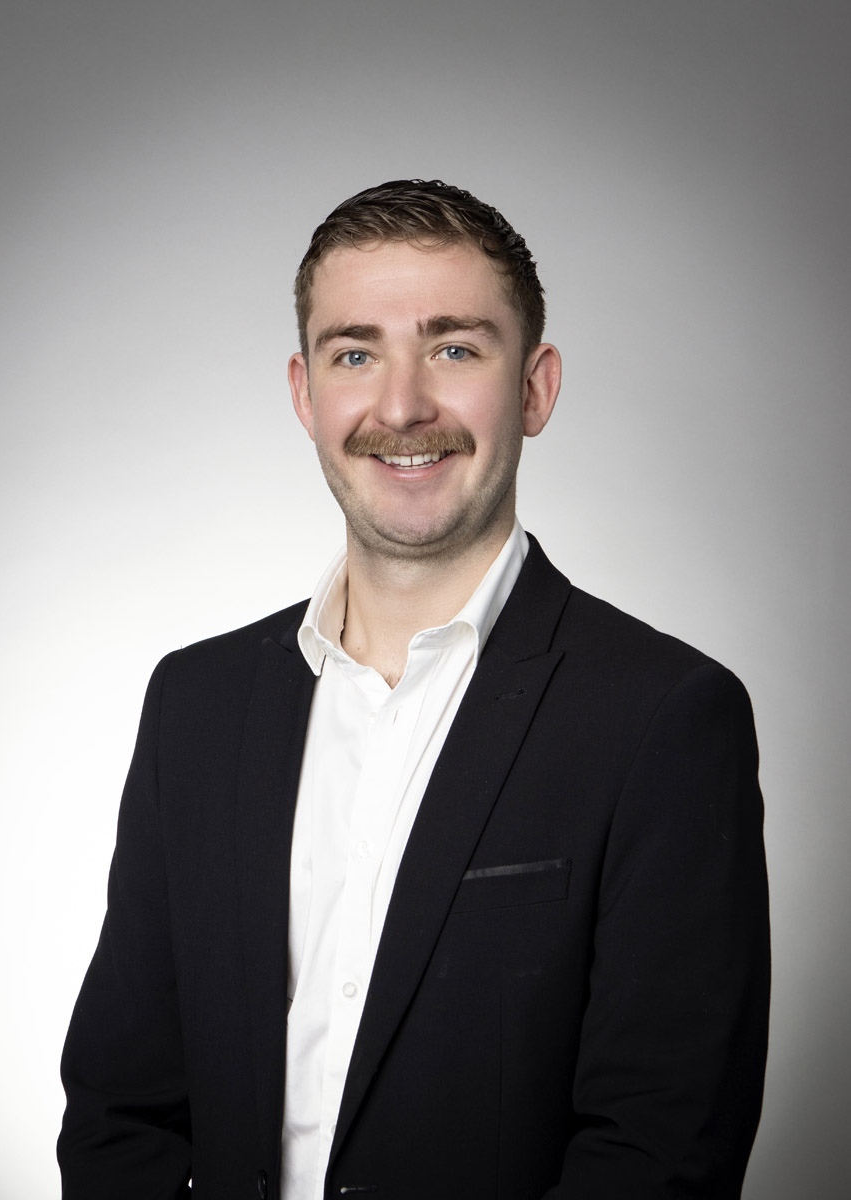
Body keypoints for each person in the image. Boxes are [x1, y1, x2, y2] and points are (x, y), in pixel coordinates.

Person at [58, 179, 770, 1200]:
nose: (401, 408)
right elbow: (121, 1113)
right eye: (356, 354)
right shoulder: (196, 706)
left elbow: (661, 1154)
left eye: (455, 350)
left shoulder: (665, 718)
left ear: (535, 388)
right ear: (306, 393)